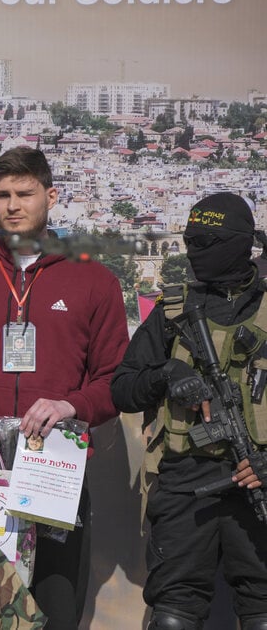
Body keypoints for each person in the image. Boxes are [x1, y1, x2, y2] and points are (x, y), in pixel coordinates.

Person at [0, 146, 129, 628]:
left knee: (56, 606)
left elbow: (114, 381)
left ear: (50, 196)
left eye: (24, 193)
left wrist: (70, 403)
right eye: (1, 195)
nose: (12, 205)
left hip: (56, 470)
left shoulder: (94, 281)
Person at [111, 192, 267, 630]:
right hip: (184, 483)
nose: (197, 252)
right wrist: (165, 374)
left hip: (256, 478)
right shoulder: (174, 312)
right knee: (174, 613)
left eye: (208, 242)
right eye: (191, 241)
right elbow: (122, 390)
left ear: (241, 243)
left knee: (261, 609)